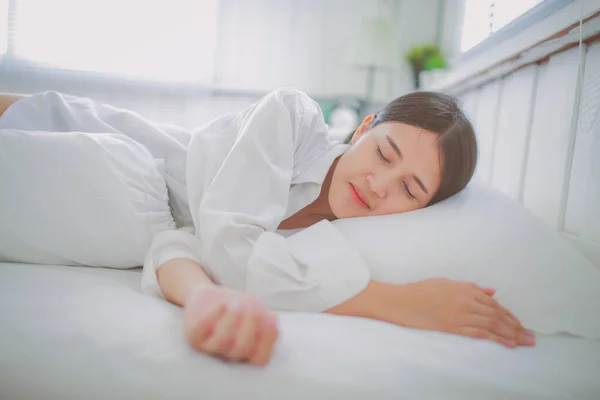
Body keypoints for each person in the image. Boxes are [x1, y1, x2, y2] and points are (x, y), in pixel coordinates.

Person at [0, 88, 535, 367]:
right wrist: (396, 301)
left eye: (410, 190)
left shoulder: (343, 241)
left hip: (109, 215)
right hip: (103, 149)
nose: (379, 185)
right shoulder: (293, 116)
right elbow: (230, 247)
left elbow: (183, 250)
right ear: (366, 127)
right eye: (384, 153)